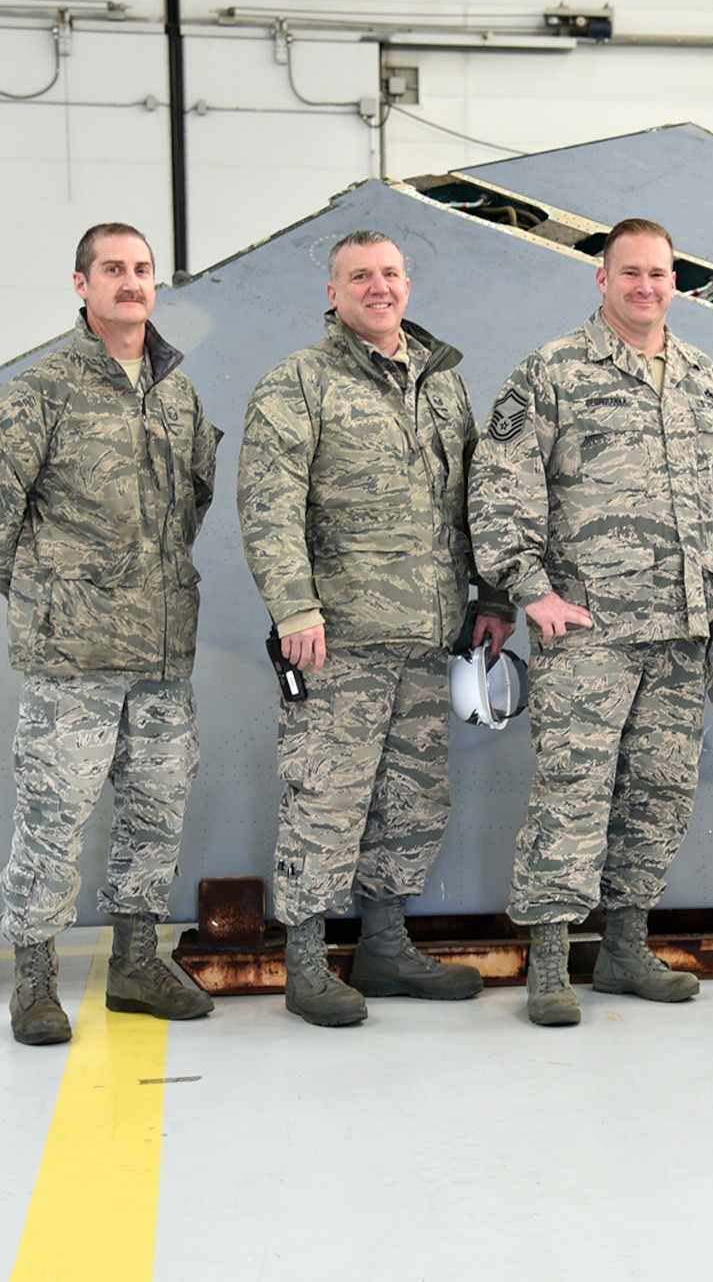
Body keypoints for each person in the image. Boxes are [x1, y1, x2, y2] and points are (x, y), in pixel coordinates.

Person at [469, 218, 713, 1027]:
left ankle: (624, 945)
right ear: (600, 279)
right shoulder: (551, 374)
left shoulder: (706, 380)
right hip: (588, 634)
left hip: (682, 632)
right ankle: (548, 959)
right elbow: (500, 488)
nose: (646, 287)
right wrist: (531, 590)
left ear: (676, 282)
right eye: (631, 272)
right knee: (572, 791)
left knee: (660, 791)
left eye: (660, 274)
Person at [237, 229, 515, 1028]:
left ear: (408, 283)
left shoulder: (444, 385)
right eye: (360, 276)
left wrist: (492, 597)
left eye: (391, 272)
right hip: (340, 637)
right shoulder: (298, 384)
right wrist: (294, 608)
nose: (378, 286)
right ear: (334, 293)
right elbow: (268, 504)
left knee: (412, 797)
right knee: (326, 796)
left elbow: (478, 503)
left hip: (431, 636)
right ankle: (307, 962)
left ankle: (385, 946)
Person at [0, 222, 222, 1046]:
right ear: (82, 285)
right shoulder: (45, 390)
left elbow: (194, 504)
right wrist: (48, 593)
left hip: (161, 652)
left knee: (155, 808)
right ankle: (34, 980)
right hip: (73, 656)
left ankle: (137, 963)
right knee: (53, 812)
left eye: (142, 269)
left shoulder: (177, 392)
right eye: (113, 269)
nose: (131, 282)